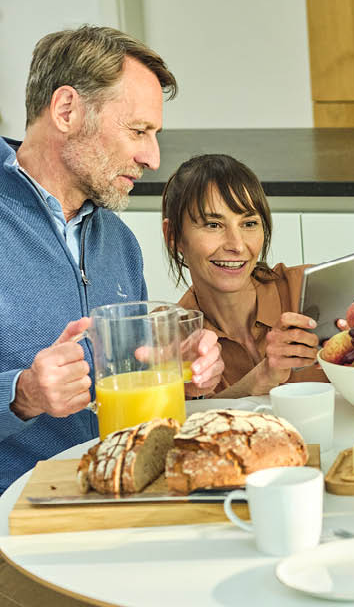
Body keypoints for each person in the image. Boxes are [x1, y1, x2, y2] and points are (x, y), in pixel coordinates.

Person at [0, 25, 224, 494]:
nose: (153, 157)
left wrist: (177, 369)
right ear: (66, 110)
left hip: (113, 503)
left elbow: (123, 386)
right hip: (15, 527)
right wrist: (20, 396)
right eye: (138, 131)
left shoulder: (119, 242)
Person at [162, 153, 333, 397]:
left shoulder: (310, 288)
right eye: (213, 225)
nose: (237, 245)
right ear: (173, 237)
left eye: (249, 223)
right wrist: (263, 377)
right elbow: (192, 426)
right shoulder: (176, 339)